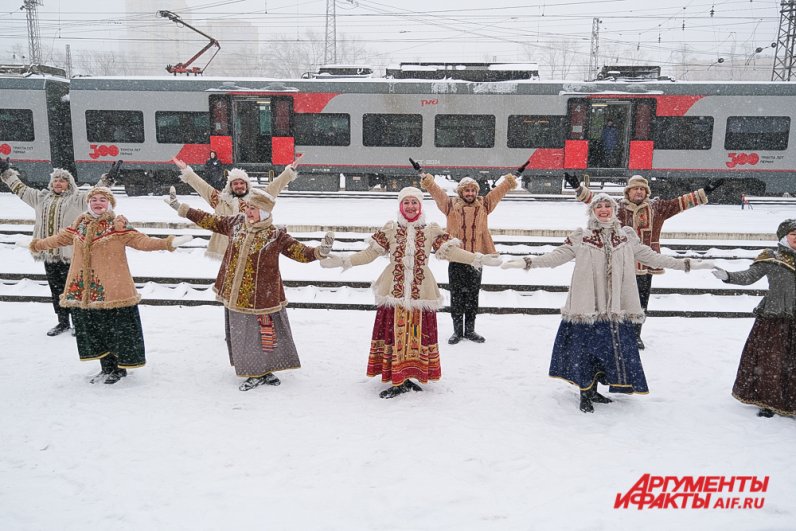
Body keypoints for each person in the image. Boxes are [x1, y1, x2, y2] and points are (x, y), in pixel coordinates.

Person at [502, 193, 714, 413]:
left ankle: (594, 390)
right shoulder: (581, 237)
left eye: (607, 206)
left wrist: (687, 264)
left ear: (614, 210)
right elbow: (555, 257)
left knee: (607, 351)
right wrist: (527, 262)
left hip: (614, 307)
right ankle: (585, 393)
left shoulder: (626, 237)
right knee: (584, 351)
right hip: (587, 306)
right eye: (599, 207)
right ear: (592, 212)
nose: (603, 210)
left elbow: (654, 257)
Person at [320, 187, 502, 399]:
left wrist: (478, 258)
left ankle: (409, 375)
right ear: (400, 206)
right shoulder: (390, 229)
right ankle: (397, 379)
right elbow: (370, 254)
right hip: (394, 290)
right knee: (396, 334)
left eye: (414, 202)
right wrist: (343, 261)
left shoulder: (431, 230)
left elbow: (451, 251)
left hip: (420, 290)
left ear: (420, 205)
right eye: (406, 202)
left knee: (416, 334)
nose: (410, 206)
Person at [165, 186, 334, 391]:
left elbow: (299, 251)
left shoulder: (275, 234)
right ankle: (253, 372)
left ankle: (266, 369)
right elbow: (208, 220)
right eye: (248, 207)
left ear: (263, 212)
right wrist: (180, 207)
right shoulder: (235, 223)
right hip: (237, 294)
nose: (248, 211)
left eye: (253, 209)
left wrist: (319, 252)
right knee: (244, 335)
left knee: (267, 333)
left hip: (264, 295)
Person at [21, 187, 192, 384]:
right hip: (87, 291)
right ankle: (106, 367)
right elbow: (58, 239)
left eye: (103, 199)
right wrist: (35, 244)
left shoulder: (117, 226)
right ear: (88, 203)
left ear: (109, 204)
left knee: (116, 330)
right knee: (95, 330)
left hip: (113, 289)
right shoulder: (80, 225)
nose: (98, 202)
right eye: (94, 199)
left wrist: (168, 243)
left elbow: (142, 241)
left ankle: (119, 370)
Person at [565, 173, 724, 349]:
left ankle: (634, 335)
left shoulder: (657, 208)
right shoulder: (618, 207)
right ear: (628, 192)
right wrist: (578, 188)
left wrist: (705, 191)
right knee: (615, 298)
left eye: (642, 189)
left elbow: (680, 203)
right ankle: (614, 333)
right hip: (619, 263)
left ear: (646, 192)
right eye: (635, 189)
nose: (639, 192)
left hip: (645, 265)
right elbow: (596, 200)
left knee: (640, 302)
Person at [1, 157, 114, 336]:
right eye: (55, 180)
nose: (58, 183)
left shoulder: (77, 199)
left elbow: (95, 195)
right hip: (48, 254)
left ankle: (79, 323)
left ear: (69, 184)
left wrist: (106, 181)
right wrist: (6, 173)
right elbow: (20, 189)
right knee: (56, 290)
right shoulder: (40, 198)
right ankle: (62, 322)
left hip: (71, 254)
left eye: (62, 180)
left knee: (75, 289)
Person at [710, 219, 796, 418]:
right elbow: (749, 276)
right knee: (772, 360)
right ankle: (768, 401)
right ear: (784, 237)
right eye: (794, 235)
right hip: (775, 316)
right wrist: (728, 276)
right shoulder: (772, 257)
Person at [421, 170, 517, 344]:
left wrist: (512, 179)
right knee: (456, 296)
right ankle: (457, 331)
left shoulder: (484, 205)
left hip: (477, 259)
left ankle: (470, 330)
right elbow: (436, 192)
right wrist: (426, 179)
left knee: (473, 296)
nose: (470, 194)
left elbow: (500, 191)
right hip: (457, 258)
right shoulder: (450, 206)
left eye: (473, 190)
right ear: (461, 192)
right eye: (467, 191)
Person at [173, 155, 302, 260]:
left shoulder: (256, 200)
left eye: (242, 183)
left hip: (249, 250)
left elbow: (274, 187)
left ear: (246, 185)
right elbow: (201, 186)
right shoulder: (219, 200)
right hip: (225, 252)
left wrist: (288, 172)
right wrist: (186, 171)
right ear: (230, 186)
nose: (239, 186)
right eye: (235, 183)